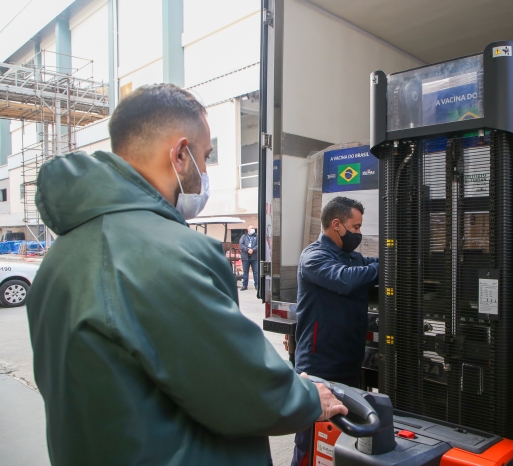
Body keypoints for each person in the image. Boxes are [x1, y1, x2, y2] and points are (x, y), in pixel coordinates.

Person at [26, 84, 348, 466]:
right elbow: (239, 390)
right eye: (205, 157)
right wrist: (309, 397)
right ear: (180, 155)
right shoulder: (164, 253)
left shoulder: (60, 256)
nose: (205, 171)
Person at [291, 196, 379, 466]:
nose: (359, 234)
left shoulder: (352, 257)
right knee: (310, 444)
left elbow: (371, 265)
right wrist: (380, 267)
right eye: (355, 227)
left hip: (348, 364)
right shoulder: (314, 257)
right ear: (337, 224)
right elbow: (345, 279)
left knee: (340, 443)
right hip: (319, 368)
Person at [240, 224, 259, 291]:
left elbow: (259, 245)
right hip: (245, 257)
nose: (253, 229)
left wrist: (253, 250)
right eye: (251, 228)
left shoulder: (257, 236)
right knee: (245, 272)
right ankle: (244, 285)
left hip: (254, 257)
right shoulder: (243, 236)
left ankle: (257, 285)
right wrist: (248, 250)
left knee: (256, 272)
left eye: (253, 228)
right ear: (247, 229)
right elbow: (241, 245)